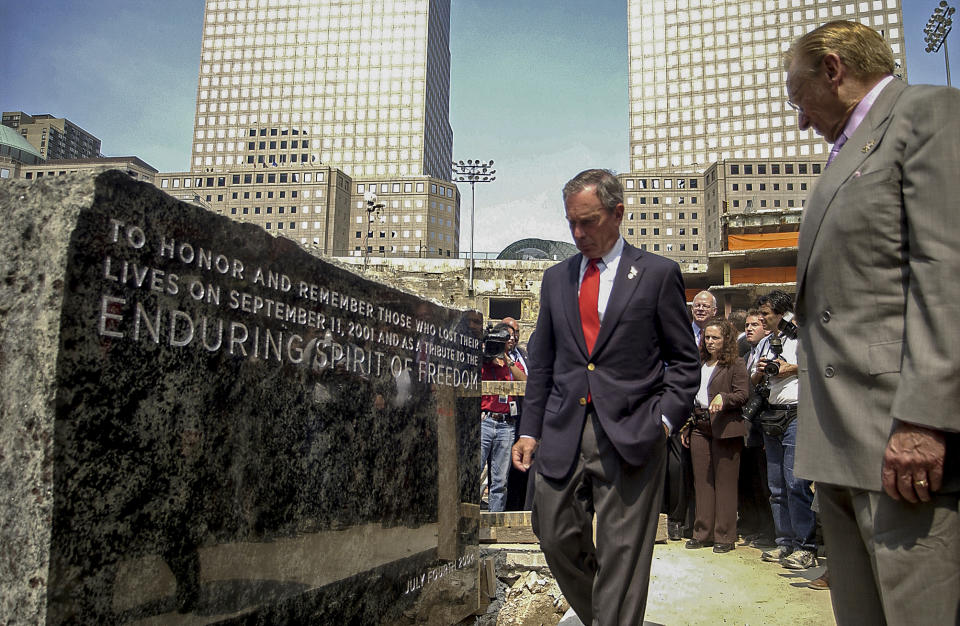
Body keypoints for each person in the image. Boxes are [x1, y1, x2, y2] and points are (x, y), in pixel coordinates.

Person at [786, 20, 960, 623]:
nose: (801, 119)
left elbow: (946, 271)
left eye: (797, 97)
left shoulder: (928, 115)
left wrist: (924, 418)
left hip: (897, 438)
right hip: (839, 442)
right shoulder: (847, 151)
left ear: (833, 69)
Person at [512, 169, 699, 624]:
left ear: (618, 213)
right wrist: (529, 430)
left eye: (589, 222)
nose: (578, 234)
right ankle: (606, 617)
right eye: (571, 223)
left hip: (634, 432)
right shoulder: (556, 279)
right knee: (553, 532)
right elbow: (543, 362)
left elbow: (685, 361)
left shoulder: (657, 274)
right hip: (562, 431)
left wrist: (664, 420)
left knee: (622, 553)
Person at [752, 290, 818, 570]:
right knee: (777, 486)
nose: (762, 319)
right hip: (771, 415)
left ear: (781, 312)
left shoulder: (803, 337)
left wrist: (788, 369)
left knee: (796, 484)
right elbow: (755, 377)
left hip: (797, 414)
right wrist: (760, 370)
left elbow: (814, 366)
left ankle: (806, 547)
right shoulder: (765, 343)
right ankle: (785, 543)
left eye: (766, 314)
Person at [681, 318, 748, 553]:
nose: (709, 342)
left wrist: (724, 398)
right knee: (703, 481)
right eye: (706, 337)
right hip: (700, 426)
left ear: (726, 340)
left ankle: (725, 536)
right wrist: (687, 426)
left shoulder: (736, 364)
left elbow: (743, 394)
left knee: (725, 483)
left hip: (725, 427)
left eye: (715, 338)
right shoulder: (699, 363)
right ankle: (702, 533)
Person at [736, 309, 775, 547]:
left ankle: (773, 531)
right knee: (751, 479)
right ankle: (757, 526)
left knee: (769, 482)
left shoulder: (772, 351)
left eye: (755, 325)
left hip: (767, 423)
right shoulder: (746, 353)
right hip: (748, 426)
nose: (749, 329)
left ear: (767, 328)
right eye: (747, 325)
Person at [480, 320, 527, 512]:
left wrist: (507, 359)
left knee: (500, 480)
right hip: (485, 421)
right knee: (474, 472)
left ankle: (494, 521)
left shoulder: (512, 363)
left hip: (507, 424)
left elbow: (525, 381)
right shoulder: (484, 360)